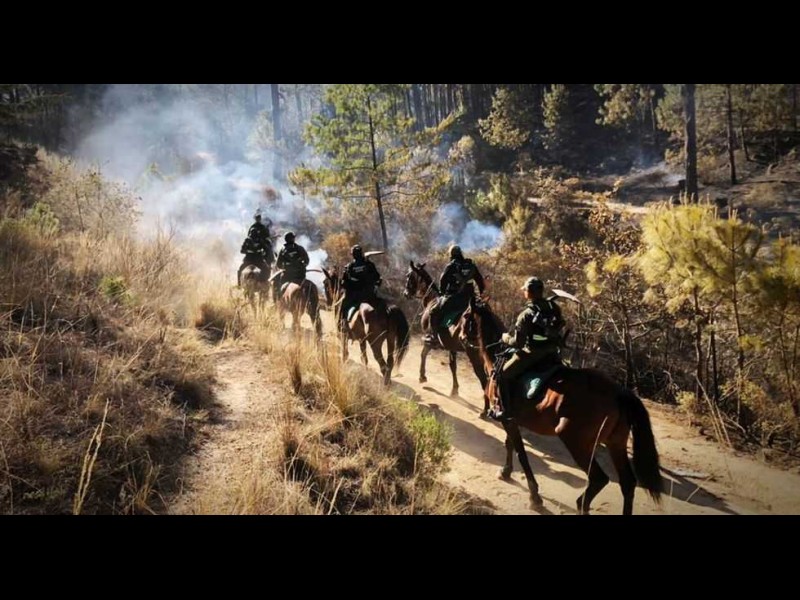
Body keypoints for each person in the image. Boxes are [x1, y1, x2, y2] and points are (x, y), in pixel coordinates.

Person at [491, 276, 565, 421]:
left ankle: (505, 411)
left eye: (525, 290)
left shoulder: (525, 315)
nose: (524, 292)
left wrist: (505, 338)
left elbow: (518, 343)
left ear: (529, 293)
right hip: (552, 352)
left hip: (532, 353)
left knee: (502, 374)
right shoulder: (554, 307)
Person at [425, 245, 485, 346]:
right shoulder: (471, 265)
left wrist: (442, 293)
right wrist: (481, 295)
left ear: (451, 255)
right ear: (461, 253)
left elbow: (442, 281)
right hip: (470, 299)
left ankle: (434, 337)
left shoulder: (451, 266)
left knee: (433, 311)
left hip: (454, 300)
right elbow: (480, 282)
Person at [340, 245, 383, 324]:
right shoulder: (369, 264)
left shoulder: (349, 267)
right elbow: (377, 277)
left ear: (353, 254)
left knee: (343, 306)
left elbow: (344, 283)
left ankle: (343, 324)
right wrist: (376, 285)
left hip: (355, 297)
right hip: (370, 294)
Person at [237, 212, 274, 287]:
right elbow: (266, 248)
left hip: (248, 259)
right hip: (258, 259)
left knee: (240, 270)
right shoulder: (258, 239)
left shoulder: (248, 240)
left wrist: (248, 251)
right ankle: (265, 283)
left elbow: (242, 250)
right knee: (266, 269)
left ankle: (239, 284)